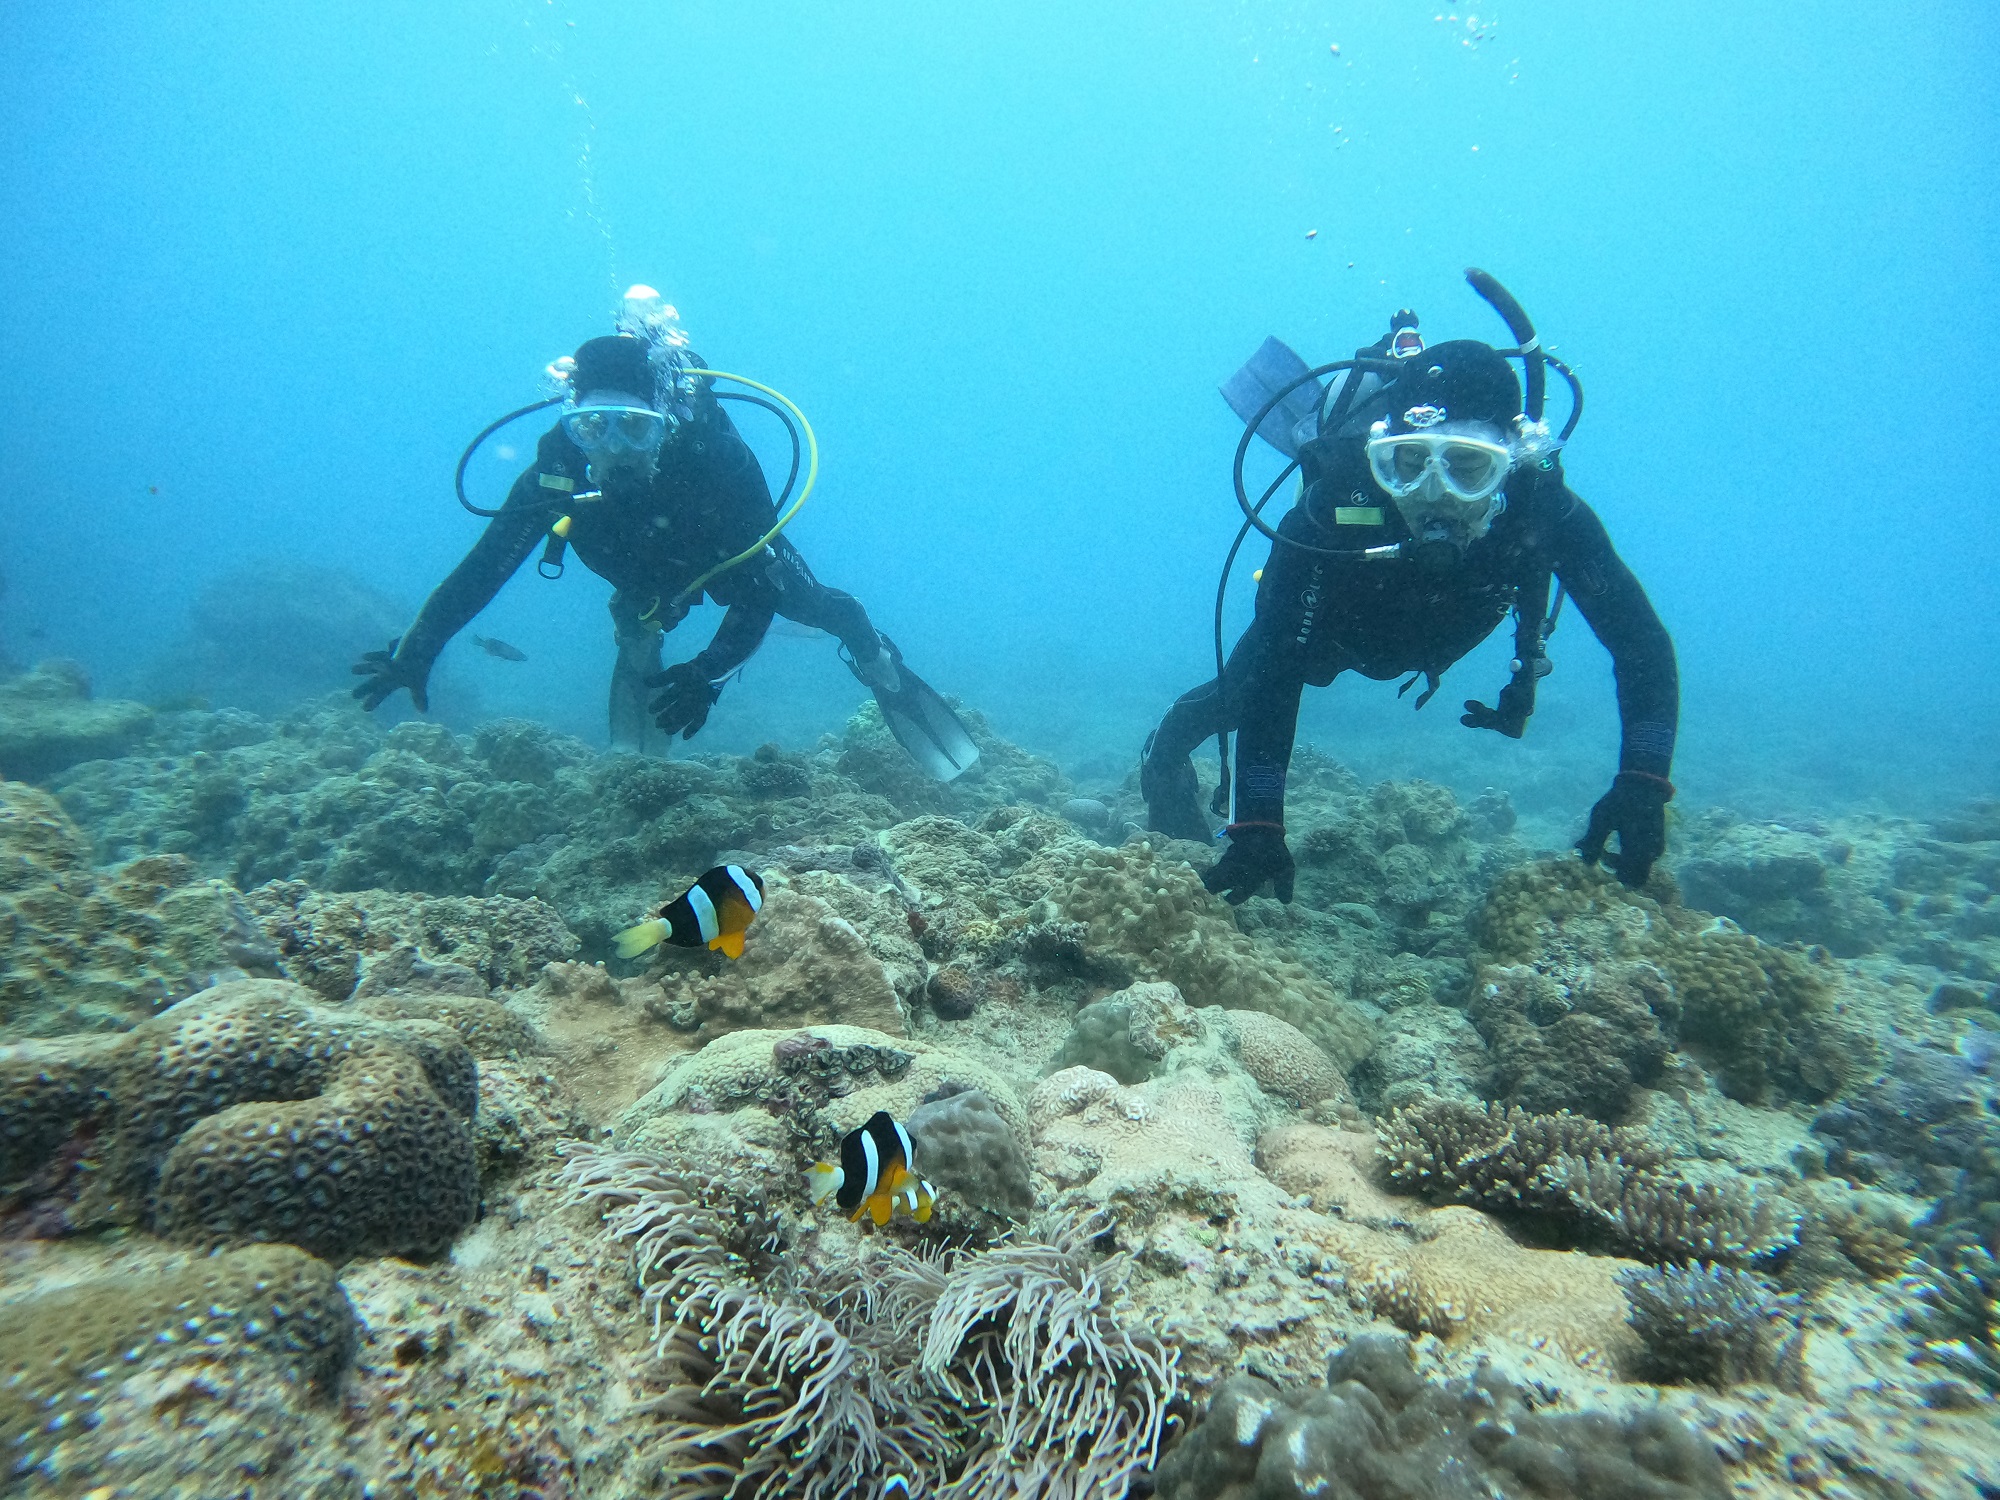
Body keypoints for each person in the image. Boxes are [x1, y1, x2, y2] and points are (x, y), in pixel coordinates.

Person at [1141, 306, 1678, 903]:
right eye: (1410, 463)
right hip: (1329, 635)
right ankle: (1163, 755)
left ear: (1511, 463)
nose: (1434, 495)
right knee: (1238, 695)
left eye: (1470, 468)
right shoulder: (1331, 510)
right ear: (1380, 456)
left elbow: (1639, 640)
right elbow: (1274, 672)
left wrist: (1644, 777)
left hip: (1420, 639)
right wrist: (1259, 824)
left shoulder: (1541, 511)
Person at [353, 296, 975, 776]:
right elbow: (486, 567)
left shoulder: (716, 460)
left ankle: (882, 667)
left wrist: (707, 669)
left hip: (728, 561)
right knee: (639, 610)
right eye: (593, 427)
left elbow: (757, 596)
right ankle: (640, 640)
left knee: (821, 606)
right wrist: (420, 648)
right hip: (640, 569)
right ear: (572, 424)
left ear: (667, 423)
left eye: (635, 428)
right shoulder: (560, 470)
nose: (614, 449)